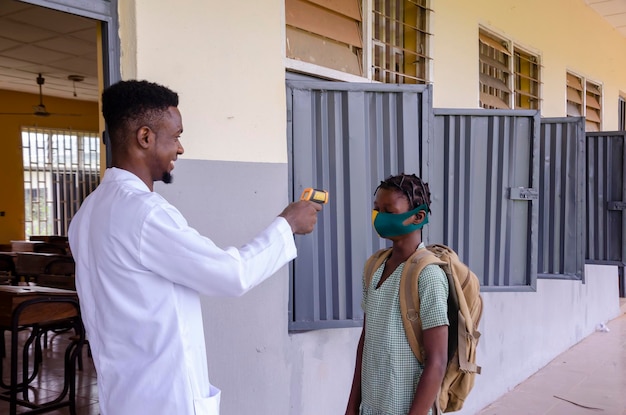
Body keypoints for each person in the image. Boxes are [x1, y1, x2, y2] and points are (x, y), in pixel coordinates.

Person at [68, 79, 322, 415]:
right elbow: (231, 274)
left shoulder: (87, 213)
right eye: (176, 136)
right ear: (145, 138)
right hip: (164, 401)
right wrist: (287, 225)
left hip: (121, 396)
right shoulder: (145, 214)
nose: (180, 148)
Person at [345, 173, 449, 415]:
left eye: (389, 211)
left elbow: (437, 361)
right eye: (376, 209)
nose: (379, 217)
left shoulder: (429, 275)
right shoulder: (374, 266)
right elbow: (366, 341)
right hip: (371, 406)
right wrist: (352, 407)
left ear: (418, 217)